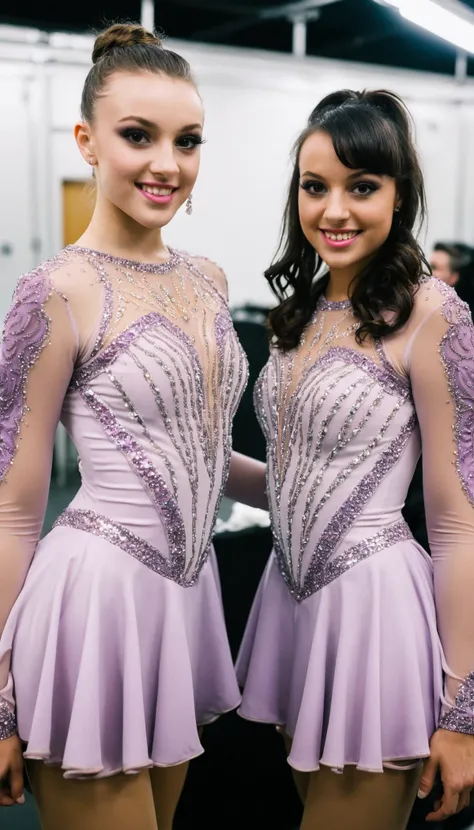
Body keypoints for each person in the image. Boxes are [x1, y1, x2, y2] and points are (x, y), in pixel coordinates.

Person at [0, 22, 265, 830]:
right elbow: (15, 506)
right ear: (86, 139)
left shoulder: (208, 279)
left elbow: (209, 454)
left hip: (186, 604)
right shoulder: (54, 290)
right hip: (95, 602)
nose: (167, 164)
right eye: (138, 136)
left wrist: (334, 478)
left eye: (187, 141)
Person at [236, 89, 474, 829]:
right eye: (315, 187)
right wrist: (185, 458)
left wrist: (463, 707)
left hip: (374, 618)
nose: (334, 210)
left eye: (362, 186)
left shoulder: (434, 314)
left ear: (399, 196)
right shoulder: (300, 315)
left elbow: (458, 521)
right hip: (290, 609)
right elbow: (292, 485)